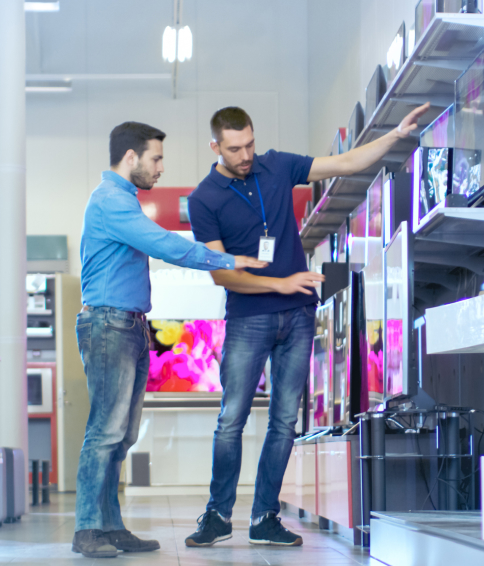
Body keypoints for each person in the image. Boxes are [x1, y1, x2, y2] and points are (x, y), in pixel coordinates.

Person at [185, 103, 430, 547]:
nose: (246, 155)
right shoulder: (204, 198)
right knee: (231, 421)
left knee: (284, 423)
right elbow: (222, 273)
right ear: (215, 146)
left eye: (250, 144)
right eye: (235, 148)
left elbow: (345, 161)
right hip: (248, 320)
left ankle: (264, 518)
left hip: (297, 317)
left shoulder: (277, 166)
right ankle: (217, 514)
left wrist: (394, 137)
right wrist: (282, 283)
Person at [72, 121, 267, 559]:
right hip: (109, 325)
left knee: (121, 436)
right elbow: (166, 246)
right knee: (105, 432)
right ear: (130, 157)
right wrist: (229, 259)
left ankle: (109, 525)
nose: (160, 167)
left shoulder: (123, 201)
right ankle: (88, 529)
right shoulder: (109, 202)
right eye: (156, 158)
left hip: (130, 325)